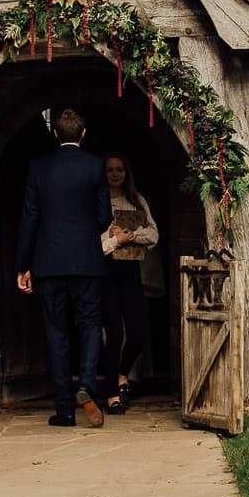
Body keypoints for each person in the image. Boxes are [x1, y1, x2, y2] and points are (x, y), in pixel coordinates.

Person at [16, 107, 112, 429]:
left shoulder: (38, 167)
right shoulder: (95, 165)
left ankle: (65, 411)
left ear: (55, 135)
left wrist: (23, 265)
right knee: (89, 326)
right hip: (87, 261)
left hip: (48, 263)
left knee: (57, 333)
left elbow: (29, 219)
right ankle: (86, 385)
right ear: (82, 135)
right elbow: (104, 218)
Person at [96, 154, 159, 413]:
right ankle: (111, 392)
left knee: (137, 332)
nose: (115, 174)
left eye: (119, 169)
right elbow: (91, 244)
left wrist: (131, 236)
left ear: (126, 172)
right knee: (113, 334)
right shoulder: (96, 202)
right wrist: (112, 239)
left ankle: (122, 374)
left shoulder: (136, 200)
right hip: (105, 273)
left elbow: (153, 235)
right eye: (110, 169)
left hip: (131, 272)